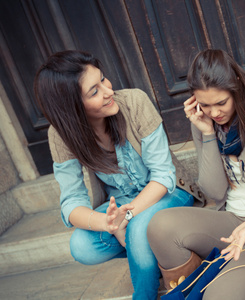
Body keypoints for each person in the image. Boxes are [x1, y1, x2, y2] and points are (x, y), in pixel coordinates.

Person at [33, 50, 194, 300]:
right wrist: (109, 224)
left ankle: (144, 294)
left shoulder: (134, 102)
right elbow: (71, 203)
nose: (108, 91)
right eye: (94, 91)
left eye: (103, 79)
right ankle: (149, 254)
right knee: (81, 247)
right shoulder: (61, 135)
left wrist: (126, 217)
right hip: (120, 209)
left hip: (169, 194)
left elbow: (163, 175)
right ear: (73, 107)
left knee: (139, 226)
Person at [147, 49, 245, 299]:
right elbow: (214, 191)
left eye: (221, 103)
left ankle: (219, 279)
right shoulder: (205, 122)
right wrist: (207, 133)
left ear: (237, 88)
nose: (214, 112)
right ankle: (196, 285)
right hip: (232, 219)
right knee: (159, 226)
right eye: (205, 104)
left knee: (218, 297)